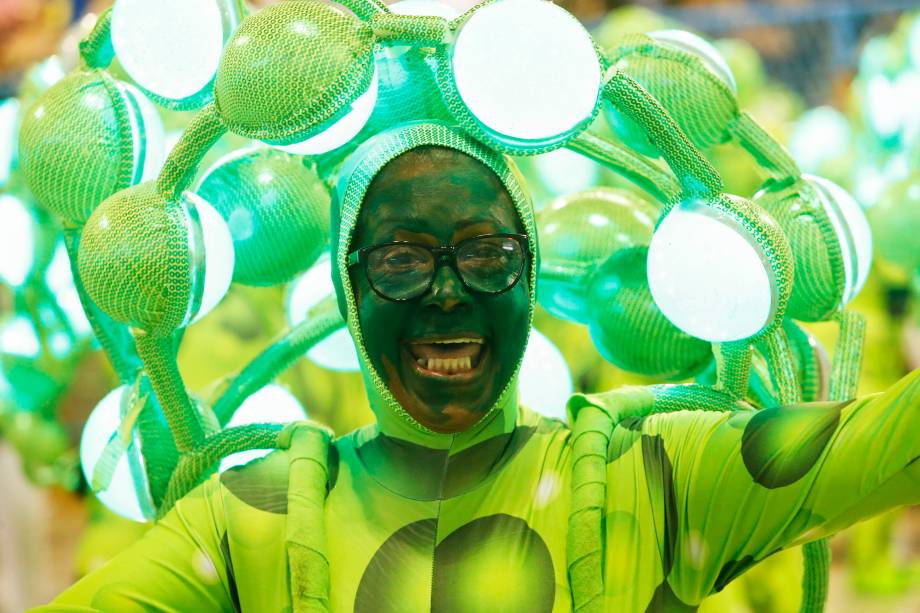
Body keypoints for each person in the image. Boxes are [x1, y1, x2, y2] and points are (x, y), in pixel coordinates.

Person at [34, 123, 920, 612]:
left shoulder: (654, 481)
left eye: (487, 254)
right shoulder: (248, 522)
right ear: (348, 288)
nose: (448, 291)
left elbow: (888, 443)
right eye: (401, 259)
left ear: (531, 277)